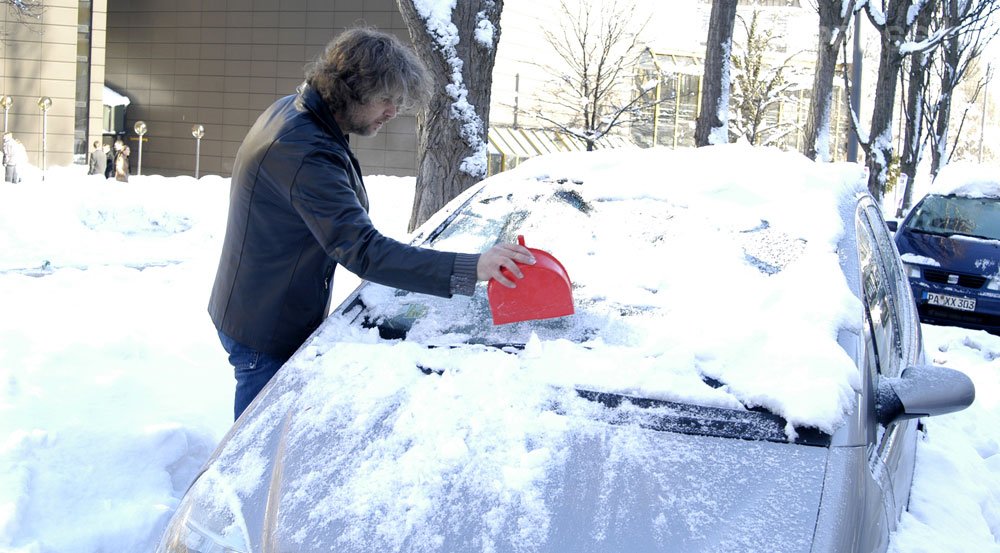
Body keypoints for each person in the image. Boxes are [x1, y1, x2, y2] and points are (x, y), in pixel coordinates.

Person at [208, 27, 536, 420]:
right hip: (264, 327)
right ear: (352, 89)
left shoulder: (299, 115)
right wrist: (472, 267)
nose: (392, 112)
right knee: (253, 456)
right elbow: (361, 249)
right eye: (386, 100)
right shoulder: (305, 150)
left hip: (259, 306)